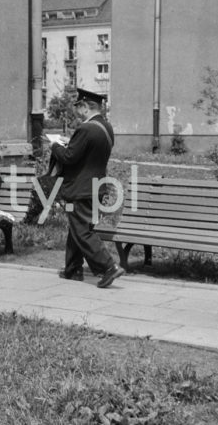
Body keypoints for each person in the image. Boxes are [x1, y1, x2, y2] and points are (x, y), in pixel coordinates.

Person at [49, 88, 125, 288]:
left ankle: (110, 267)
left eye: (78, 106)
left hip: (80, 190)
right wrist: (70, 143)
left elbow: (69, 157)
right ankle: (73, 269)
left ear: (85, 106)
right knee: (78, 227)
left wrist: (55, 146)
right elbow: (88, 152)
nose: (77, 111)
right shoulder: (106, 127)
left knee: (82, 231)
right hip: (96, 188)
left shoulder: (85, 129)